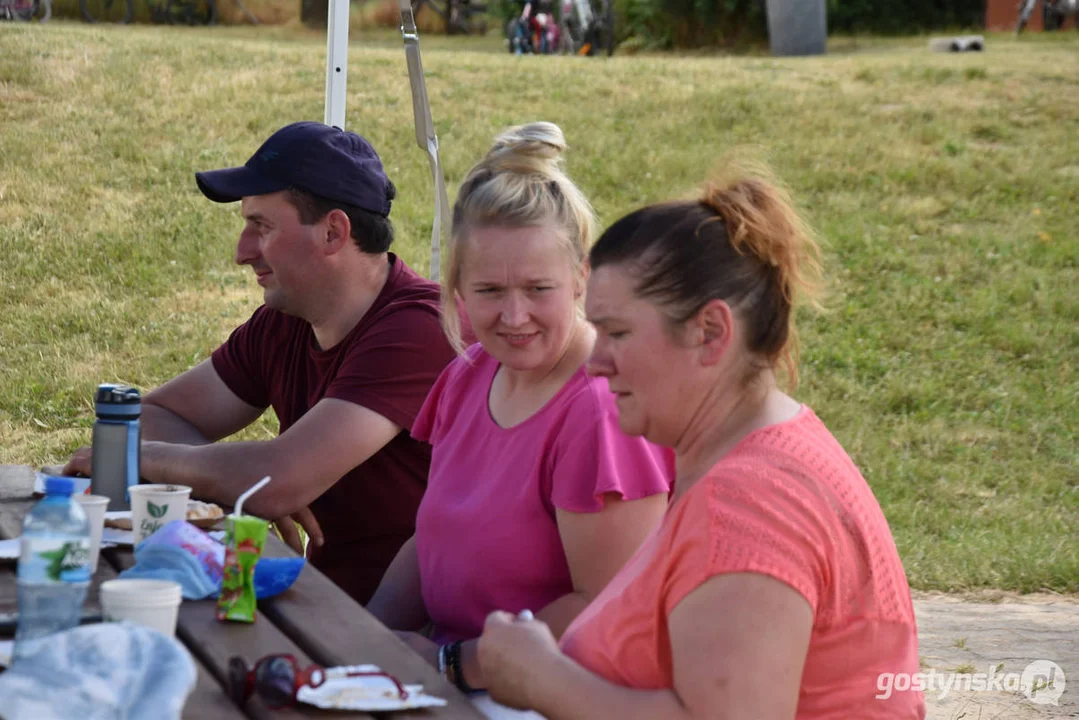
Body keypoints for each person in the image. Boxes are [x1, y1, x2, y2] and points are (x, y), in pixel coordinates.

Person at [475, 165, 927, 719]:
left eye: (616, 333)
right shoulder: (765, 450)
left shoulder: (749, 504)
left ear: (710, 333)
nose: (595, 364)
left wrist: (540, 679)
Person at [64, 122, 459, 605]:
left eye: (262, 226)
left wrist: (244, 477)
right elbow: (151, 417)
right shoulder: (286, 320)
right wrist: (238, 481)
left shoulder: (419, 328)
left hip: (409, 630)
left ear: (334, 232)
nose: (241, 252)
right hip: (310, 600)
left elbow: (275, 478)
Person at [366, 122, 673, 697]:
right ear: (457, 288)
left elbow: (605, 611)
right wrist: (362, 636)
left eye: (538, 289)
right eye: (488, 292)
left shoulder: (604, 413)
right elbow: (428, 539)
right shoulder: (467, 374)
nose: (513, 316)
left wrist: (449, 664)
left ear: (582, 276)